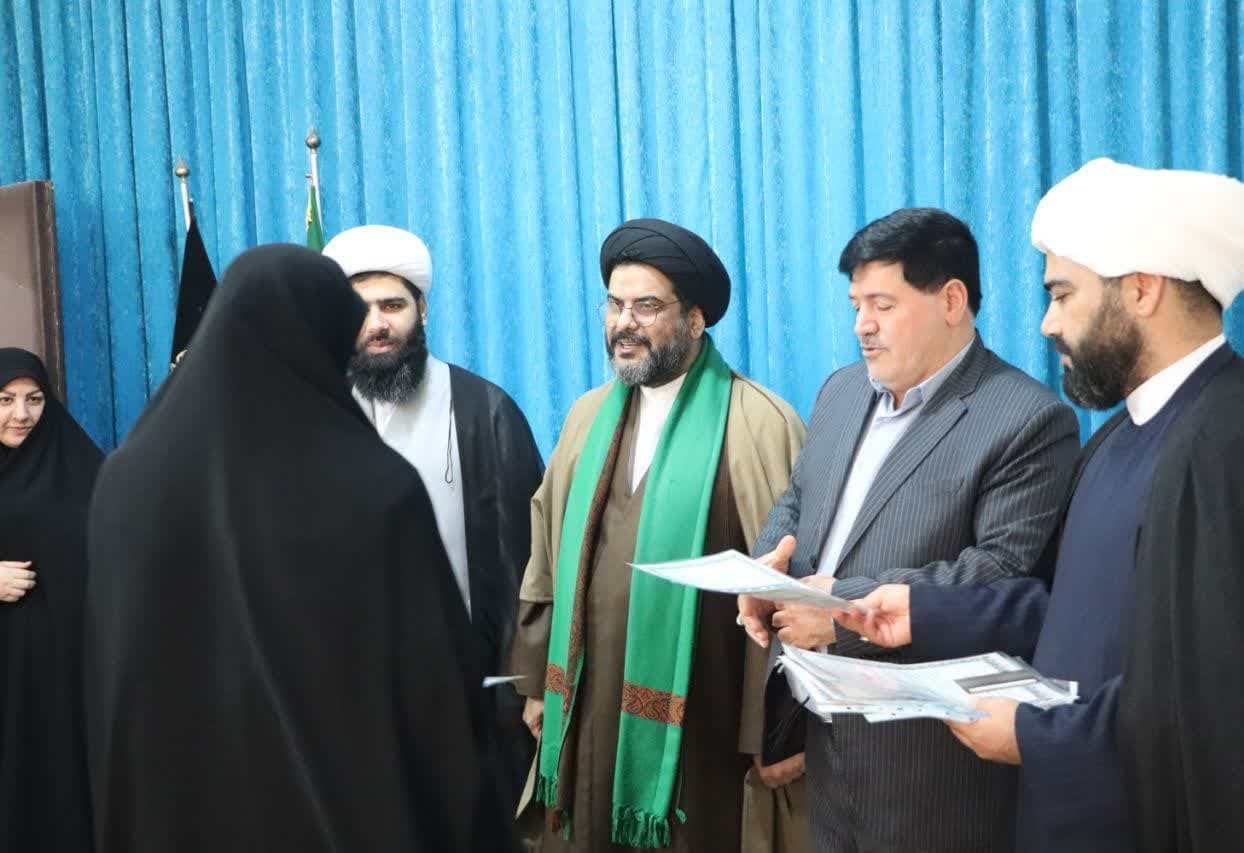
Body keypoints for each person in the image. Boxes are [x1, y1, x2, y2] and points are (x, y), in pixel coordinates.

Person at [837, 159, 1244, 853]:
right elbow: (1065, 605)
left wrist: (1035, 736)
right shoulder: (1118, 438)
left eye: (1063, 294)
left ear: (1142, 289)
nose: (1047, 323)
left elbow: (1215, 698)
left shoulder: (1234, 442)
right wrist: (921, 612)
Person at [82, 245, 483, 852]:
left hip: (174, 814)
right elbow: (435, 695)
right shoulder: (374, 488)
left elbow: (109, 680)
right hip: (341, 813)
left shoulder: (124, 482)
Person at [739, 208, 1079, 853]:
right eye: (856, 305)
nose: (862, 325)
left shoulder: (1027, 419)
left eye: (882, 304)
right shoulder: (842, 391)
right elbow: (798, 500)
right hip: (825, 741)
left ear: (951, 300)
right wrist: (766, 572)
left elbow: (1000, 574)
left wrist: (838, 611)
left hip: (931, 761)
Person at [510, 218, 806, 851]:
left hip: (702, 718)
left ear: (695, 320)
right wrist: (538, 686)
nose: (624, 323)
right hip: (585, 701)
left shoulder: (759, 422)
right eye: (615, 305)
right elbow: (545, 556)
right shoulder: (586, 417)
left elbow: (791, 588)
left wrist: (777, 728)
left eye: (646, 306)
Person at [323, 224, 544, 815]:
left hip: (469, 692)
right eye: (361, 310)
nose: (377, 324)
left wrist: (524, 686)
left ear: (421, 310)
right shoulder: (321, 415)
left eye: (393, 306)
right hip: (358, 694)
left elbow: (528, 565)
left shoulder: (483, 411)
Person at [0, 348, 103, 852]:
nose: (22, 414)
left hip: (66, 671)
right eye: (5, 400)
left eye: (35, 399)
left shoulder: (78, 464)